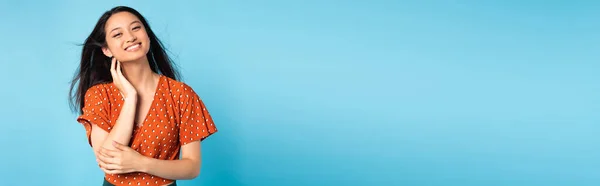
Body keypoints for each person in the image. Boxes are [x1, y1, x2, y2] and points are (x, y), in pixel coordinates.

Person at [68, 6, 218, 186]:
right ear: (107, 49)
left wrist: (141, 163)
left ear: (147, 35)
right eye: (118, 34)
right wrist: (131, 98)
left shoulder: (181, 94)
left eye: (136, 28)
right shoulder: (99, 95)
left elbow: (192, 167)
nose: (130, 37)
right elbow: (108, 162)